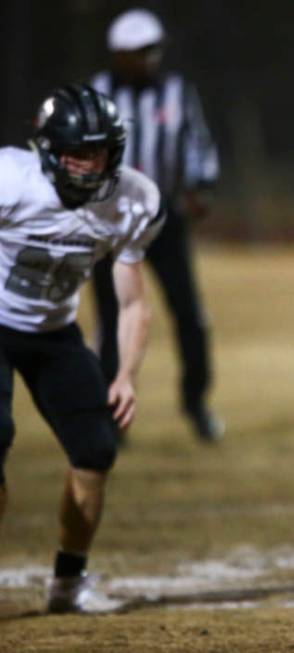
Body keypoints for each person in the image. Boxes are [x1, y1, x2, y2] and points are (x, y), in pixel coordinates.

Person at [0, 85, 162, 612]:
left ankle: (68, 584)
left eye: (99, 152)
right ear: (47, 150)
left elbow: (133, 303)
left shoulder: (133, 199)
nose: (90, 166)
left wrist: (125, 375)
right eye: (77, 153)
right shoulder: (10, 180)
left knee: (96, 449)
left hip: (55, 331)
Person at [90, 8, 222, 442]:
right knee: (112, 321)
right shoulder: (98, 94)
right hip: (110, 221)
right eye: (138, 52)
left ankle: (195, 402)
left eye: (153, 50)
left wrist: (199, 184)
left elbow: (196, 142)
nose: (148, 59)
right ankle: (113, 413)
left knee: (190, 315)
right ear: (118, 55)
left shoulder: (176, 90)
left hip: (163, 219)